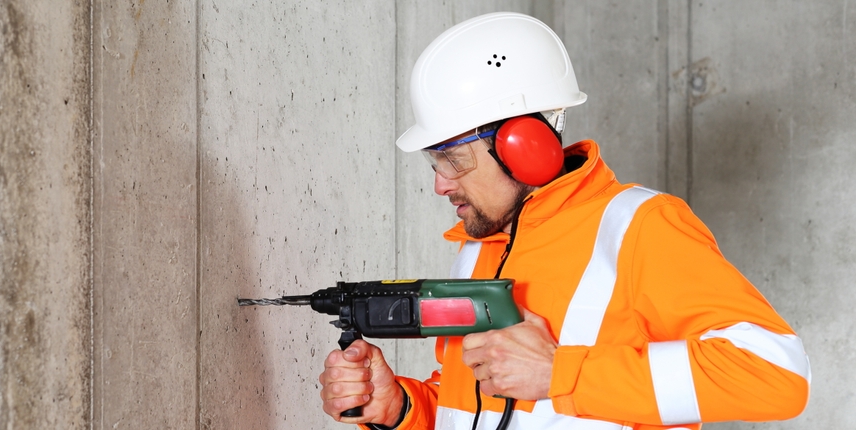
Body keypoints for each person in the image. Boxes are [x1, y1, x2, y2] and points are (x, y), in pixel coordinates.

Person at [318, 11, 810, 430]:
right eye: (435, 162)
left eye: (455, 160)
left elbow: (776, 374)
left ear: (523, 148)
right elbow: (479, 409)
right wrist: (402, 408)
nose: (440, 185)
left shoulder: (639, 227)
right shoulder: (481, 248)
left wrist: (561, 372)